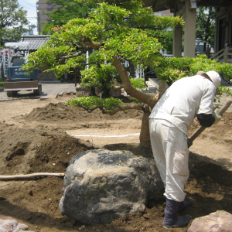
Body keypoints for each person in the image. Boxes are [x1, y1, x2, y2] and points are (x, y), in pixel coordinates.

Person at [149, 71, 222, 228]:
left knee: (165, 166)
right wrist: (214, 119)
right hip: (172, 126)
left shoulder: (185, 80)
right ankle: (170, 218)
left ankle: (178, 201)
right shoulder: (209, 85)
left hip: (154, 120)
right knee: (177, 169)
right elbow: (204, 117)